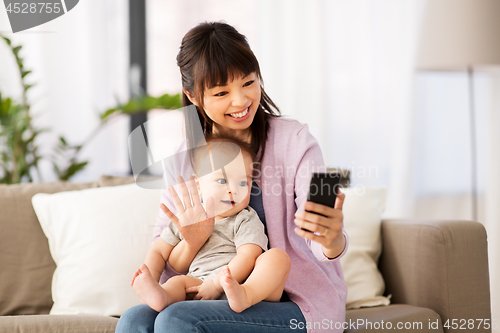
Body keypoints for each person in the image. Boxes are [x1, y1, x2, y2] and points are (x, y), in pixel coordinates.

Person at [116, 21, 348, 333]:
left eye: (248, 83)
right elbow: (168, 256)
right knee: (134, 320)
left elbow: (322, 234)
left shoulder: (297, 140)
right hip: (208, 290)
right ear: (193, 96)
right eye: (222, 91)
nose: (240, 101)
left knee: (177, 320)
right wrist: (192, 241)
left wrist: (332, 239)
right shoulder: (184, 157)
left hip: (294, 303)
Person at [131, 135, 290, 314]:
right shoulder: (187, 218)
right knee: (178, 283)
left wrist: (218, 284)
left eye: (243, 182)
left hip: (241, 282)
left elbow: (249, 255)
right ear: (198, 185)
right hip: (199, 285)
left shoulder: (244, 218)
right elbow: (158, 251)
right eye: (222, 181)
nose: (233, 189)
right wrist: (151, 278)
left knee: (277, 257)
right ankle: (161, 297)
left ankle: (246, 295)